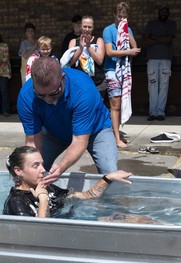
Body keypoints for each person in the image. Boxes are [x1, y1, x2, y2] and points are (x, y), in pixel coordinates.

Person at [17, 57, 118, 186]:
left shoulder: (83, 89)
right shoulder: (26, 96)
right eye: (41, 95)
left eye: (54, 93)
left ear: (63, 78)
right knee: (32, 174)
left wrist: (60, 168)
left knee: (110, 175)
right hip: (53, 134)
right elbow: (32, 141)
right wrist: (31, 169)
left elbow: (79, 140)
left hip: (96, 131)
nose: (47, 99)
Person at [4, 146, 132, 217]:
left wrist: (108, 178)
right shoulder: (16, 203)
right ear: (18, 171)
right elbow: (38, 234)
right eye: (35, 166)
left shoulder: (47, 187)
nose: (43, 170)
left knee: (134, 219)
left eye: (42, 164)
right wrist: (43, 199)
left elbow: (85, 196)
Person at [103, 1, 141, 148]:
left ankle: (115, 133)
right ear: (114, 15)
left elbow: (135, 48)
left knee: (120, 104)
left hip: (124, 71)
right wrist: (128, 52)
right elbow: (109, 52)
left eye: (124, 17)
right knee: (115, 105)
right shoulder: (108, 30)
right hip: (112, 70)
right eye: (119, 16)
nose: (121, 19)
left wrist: (126, 31)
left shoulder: (127, 30)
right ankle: (116, 138)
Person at [143, 6, 176, 121]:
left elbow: (169, 40)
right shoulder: (151, 23)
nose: (163, 13)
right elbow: (145, 41)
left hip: (166, 59)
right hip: (151, 58)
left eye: (165, 12)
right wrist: (162, 39)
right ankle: (153, 112)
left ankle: (160, 112)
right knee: (152, 86)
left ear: (168, 13)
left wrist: (153, 37)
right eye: (161, 11)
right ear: (158, 12)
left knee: (164, 86)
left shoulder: (172, 24)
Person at [67, 15, 106, 97]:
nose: (87, 29)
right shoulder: (73, 42)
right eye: (85, 26)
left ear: (93, 28)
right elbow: (70, 62)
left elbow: (99, 61)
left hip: (97, 83)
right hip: (79, 83)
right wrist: (81, 48)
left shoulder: (99, 40)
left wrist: (88, 47)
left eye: (89, 27)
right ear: (81, 27)